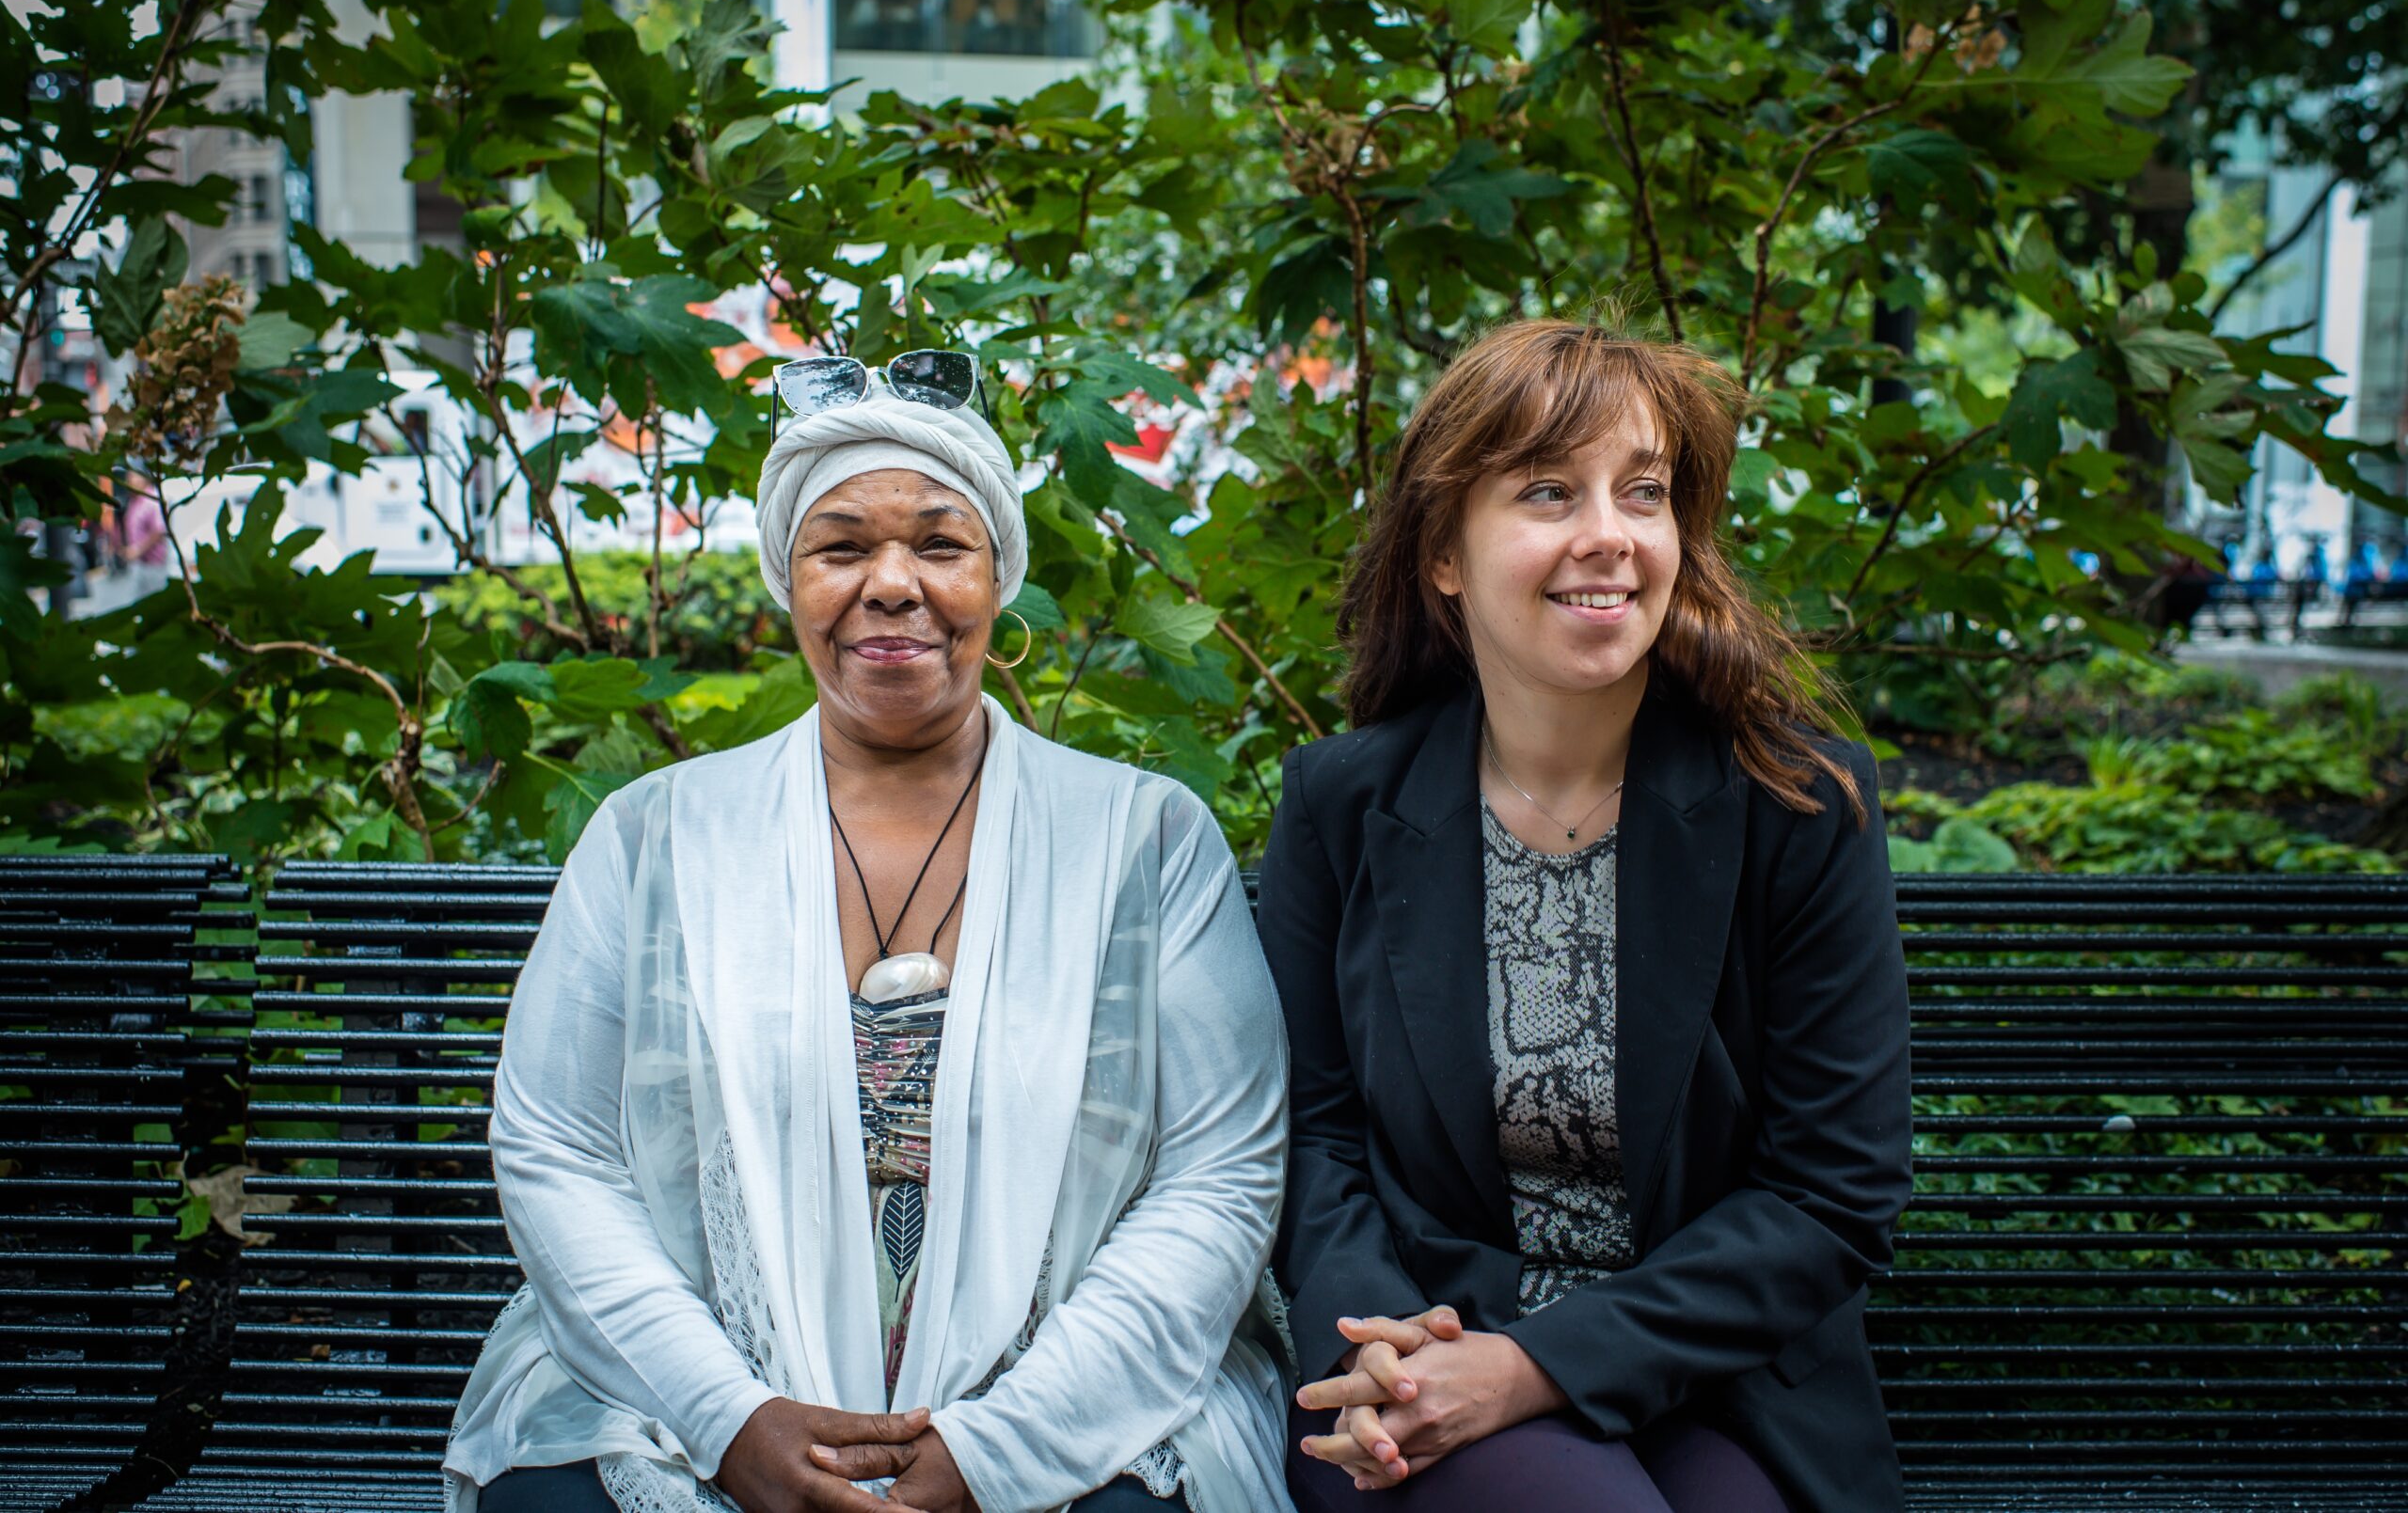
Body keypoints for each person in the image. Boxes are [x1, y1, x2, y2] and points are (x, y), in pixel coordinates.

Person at [442, 377, 1292, 1513]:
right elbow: (557, 1148)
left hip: (1073, 1391)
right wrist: (727, 1419)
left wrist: (1003, 1447)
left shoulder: (1144, 840)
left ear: (999, 580)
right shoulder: (655, 836)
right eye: (839, 546)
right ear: (787, 586)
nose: (892, 585)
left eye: (942, 544)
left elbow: (1218, 1169)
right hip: (695, 1391)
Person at [1257, 320, 1913, 1513]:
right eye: (1548, 491)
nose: (1607, 533)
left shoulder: (1797, 805)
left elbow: (1830, 1193)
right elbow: (1316, 1134)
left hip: (1720, 1372)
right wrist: (1375, 1350)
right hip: (1428, 1358)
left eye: (1644, 492)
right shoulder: (1342, 805)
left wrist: (1535, 1369)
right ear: (1444, 553)